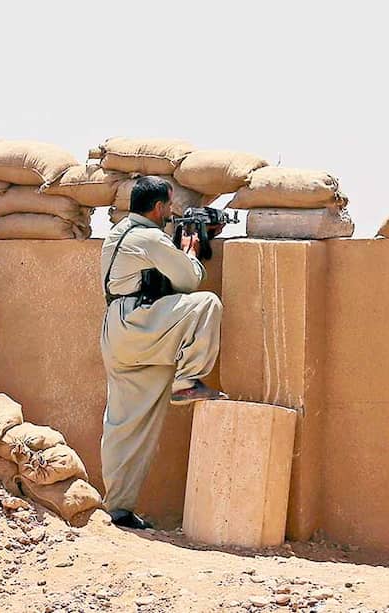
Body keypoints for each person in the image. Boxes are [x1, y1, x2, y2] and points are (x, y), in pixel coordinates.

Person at [99, 176, 225, 529]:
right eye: (168, 206)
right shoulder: (149, 237)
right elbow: (188, 281)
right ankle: (187, 380)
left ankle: (118, 509)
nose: (170, 212)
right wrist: (189, 251)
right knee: (206, 306)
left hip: (121, 329)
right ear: (158, 207)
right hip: (141, 324)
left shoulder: (120, 233)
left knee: (127, 425)